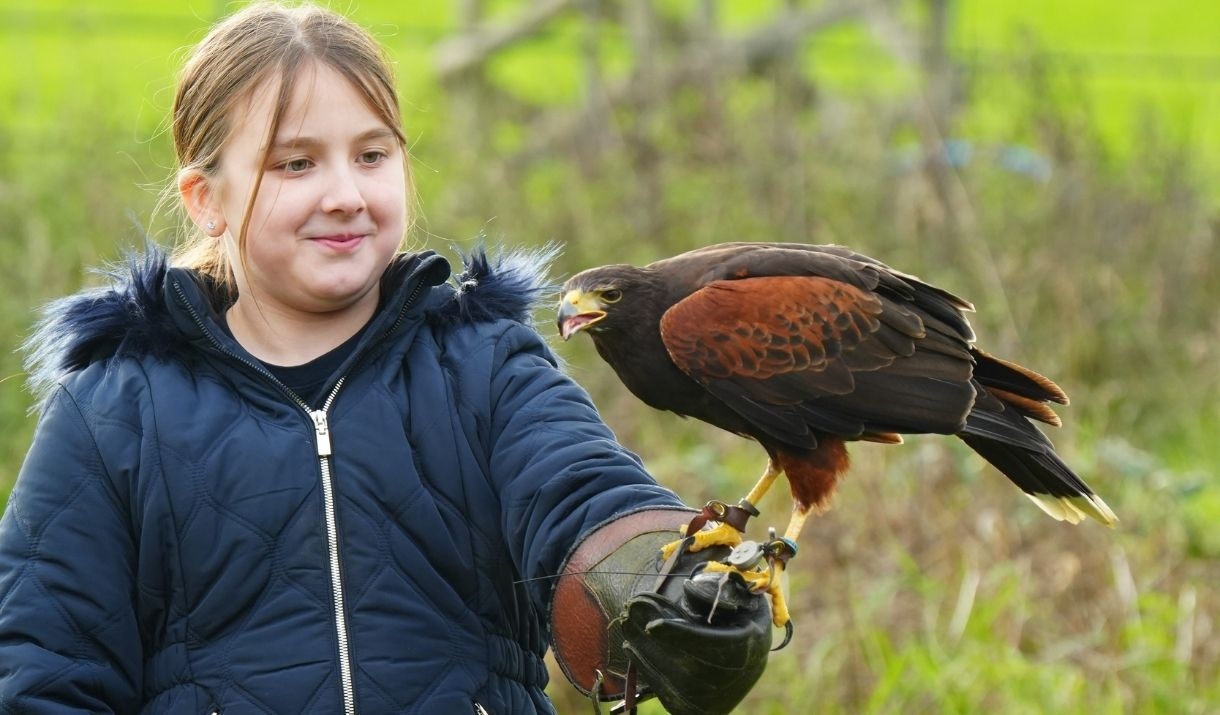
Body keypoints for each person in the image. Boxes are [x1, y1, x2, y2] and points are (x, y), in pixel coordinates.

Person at [0, 3, 772, 713]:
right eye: (295, 164)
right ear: (207, 198)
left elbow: (584, 492)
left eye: (371, 155)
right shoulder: (117, 408)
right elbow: (44, 662)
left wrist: (665, 582)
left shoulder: (485, 365)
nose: (344, 193)